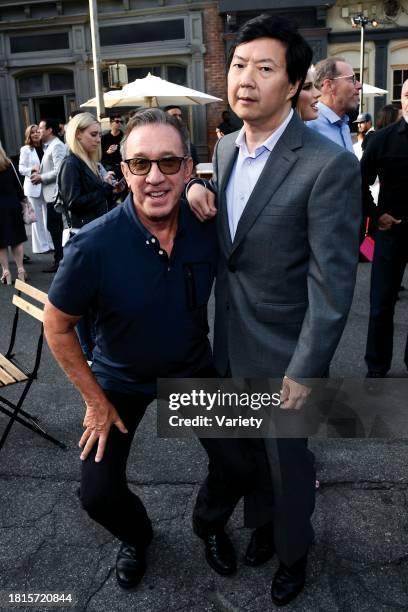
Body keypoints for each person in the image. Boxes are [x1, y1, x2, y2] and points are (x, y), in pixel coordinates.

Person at [187, 14, 361, 606]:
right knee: (250, 454)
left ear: (291, 85)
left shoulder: (327, 165)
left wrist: (306, 367)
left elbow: (332, 285)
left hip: (287, 351)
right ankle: (260, 527)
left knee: (288, 465)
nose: (246, 79)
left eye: (265, 68)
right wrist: (193, 190)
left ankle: (293, 551)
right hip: (232, 338)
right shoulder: (227, 147)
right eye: (240, 65)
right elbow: (234, 243)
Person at [43, 108, 217, 591]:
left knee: (243, 463)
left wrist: (207, 191)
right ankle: (138, 537)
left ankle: (208, 524)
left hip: (192, 372)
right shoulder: (93, 245)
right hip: (120, 380)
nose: (155, 176)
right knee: (97, 494)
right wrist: (95, 401)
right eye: (140, 164)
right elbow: (56, 328)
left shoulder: (207, 224)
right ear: (124, 171)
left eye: (169, 163)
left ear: (188, 169)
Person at [57, 112, 115, 362]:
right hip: (80, 236)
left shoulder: (88, 162)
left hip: (94, 234)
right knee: (83, 299)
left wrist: (110, 188)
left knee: (94, 297)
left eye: (98, 134)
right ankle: (88, 352)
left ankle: (94, 350)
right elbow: (72, 202)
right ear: (77, 134)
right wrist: (103, 189)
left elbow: (97, 199)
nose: (97, 139)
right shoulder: (71, 163)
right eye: (93, 134)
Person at [361, 79, 408, 378]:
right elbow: (358, 182)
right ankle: (376, 367)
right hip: (391, 235)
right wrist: (376, 215)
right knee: (381, 304)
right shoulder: (383, 139)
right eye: (407, 94)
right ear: (401, 98)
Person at [31, 118, 67, 273]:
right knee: (54, 227)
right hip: (51, 195)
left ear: (49, 130)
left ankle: (60, 261)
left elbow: (60, 170)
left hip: (55, 196)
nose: (38, 131)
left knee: (56, 228)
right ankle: (59, 260)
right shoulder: (50, 146)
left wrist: (41, 177)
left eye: (40, 128)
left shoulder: (57, 146)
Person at [307, 57, 362, 150]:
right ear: (329, 85)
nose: (359, 86)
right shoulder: (310, 127)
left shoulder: (343, 125)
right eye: (352, 79)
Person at [19, 124, 54, 254]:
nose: (35, 134)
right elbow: (21, 169)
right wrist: (31, 170)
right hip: (33, 187)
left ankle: (50, 243)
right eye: (32, 132)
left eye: (37, 131)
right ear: (29, 135)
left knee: (47, 217)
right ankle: (41, 246)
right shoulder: (26, 149)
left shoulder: (46, 147)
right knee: (37, 218)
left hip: (45, 186)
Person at [0, 145, 27, 284]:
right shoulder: (9, 163)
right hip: (13, 205)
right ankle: (21, 270)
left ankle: (6, 273)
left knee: (1, 243)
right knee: (16, 239)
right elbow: (18, 185)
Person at [164, 105, 199, 169]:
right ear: (165, 117)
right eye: (174, 115)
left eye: (180, 115)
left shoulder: (185, 135)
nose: (178, 118)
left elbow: (194, 164)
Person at [101, 114, 123, 181]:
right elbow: (99, 156)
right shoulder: (104, 138)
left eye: (121, 122)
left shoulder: (124, 137)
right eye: (117, 121)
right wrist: (108, 152)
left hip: (120, 168)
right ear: (111, 123)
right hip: (107, 168)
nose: (119, 123)